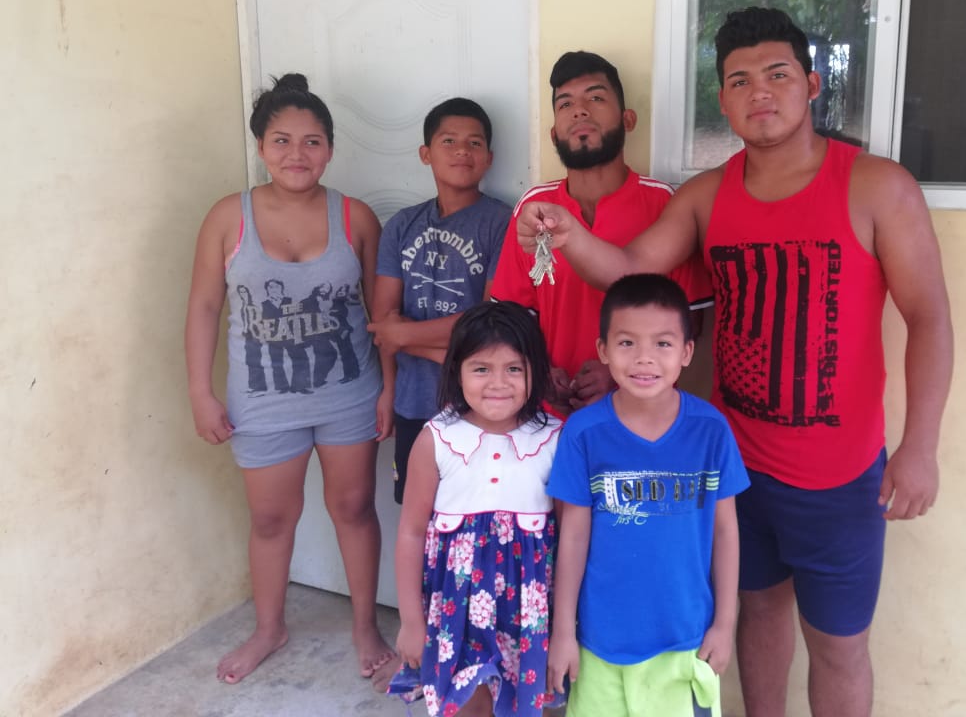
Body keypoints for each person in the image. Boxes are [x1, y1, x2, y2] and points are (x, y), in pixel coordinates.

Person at [516, 8, 954, 717]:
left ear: (812, 83)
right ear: (722, 99)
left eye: (778, 74)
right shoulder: (707, 196)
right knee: (757, 620)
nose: (760, 92)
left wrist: (921, 447)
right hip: (732, 467)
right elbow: (627, 270)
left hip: (840, 474)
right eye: (740, 80)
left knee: (840, 646)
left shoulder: (877, 186)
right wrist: (566, 234)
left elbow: (929, 317)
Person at [185, 73, 397, 684]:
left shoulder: (355, 217)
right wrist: (201, 393)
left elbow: (381, 314)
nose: (296, 154)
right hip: (261, 400)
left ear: (329, 149)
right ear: (260, 147)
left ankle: (365, 626)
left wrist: (387, 387)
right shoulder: (228, 217)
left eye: (311, 141)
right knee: (271, 520)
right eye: (281, 140)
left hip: (349, 393)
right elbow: (204, 307)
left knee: (353, 508)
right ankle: (269, 628)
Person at [546, 274, 748, 717]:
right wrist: (563, 633)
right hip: (602, 643)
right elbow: (572, 537)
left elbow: (726, 531)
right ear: (603, 351)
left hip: (686, 641)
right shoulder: (583, 433)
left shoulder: (710, 430)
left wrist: (724, 624)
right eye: (626, 343)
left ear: (687, 352)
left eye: (662, 343)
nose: (644, 358)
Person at [490, 51, 711, 415]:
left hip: (641, 417)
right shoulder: (534, 208)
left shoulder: (666, 205)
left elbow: (693, 323)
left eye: (595, 97)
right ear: (554, 134)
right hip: (550, 422)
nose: (579, 111)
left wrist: (622, 372)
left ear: (628, 119)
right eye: (565, 104)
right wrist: (536, 370)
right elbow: (510, 318)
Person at [384, 301, 565, 717]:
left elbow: (569, 535)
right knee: (465, 703)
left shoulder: (555, 440)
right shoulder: (437, 439)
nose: (498, 383)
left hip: (528, 612)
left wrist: (564, 628)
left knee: (524, 705)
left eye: (514, 368)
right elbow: (411, 532)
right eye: (481, 368)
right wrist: (411, 621)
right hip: (455, 610)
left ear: (535, 371)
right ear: (457, 372)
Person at [371, 97, 511, 505]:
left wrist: (404, 336)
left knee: (473, 513)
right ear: (425, 153)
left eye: (474, 143)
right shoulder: (401, 225)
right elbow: (383, 324)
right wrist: (388, 391)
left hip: (478, 404)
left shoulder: (503, 222)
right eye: (449, 141)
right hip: (413, 400)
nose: (462, 151)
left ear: (489, 158)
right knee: (417, 514)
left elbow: (490, 322)